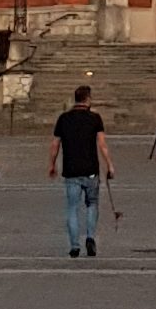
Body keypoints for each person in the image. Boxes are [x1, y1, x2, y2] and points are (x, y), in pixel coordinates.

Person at [49, 83, 115, 259]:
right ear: (88, 99)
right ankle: (91, 237)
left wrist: (52, 164)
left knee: (72, 208)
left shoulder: (63, 118)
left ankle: (74, 245)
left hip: (71, 170)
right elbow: (102, 145)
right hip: (90, 170)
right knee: (92, 204)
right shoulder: (95, 118)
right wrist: (109, 165)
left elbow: (55, 144)